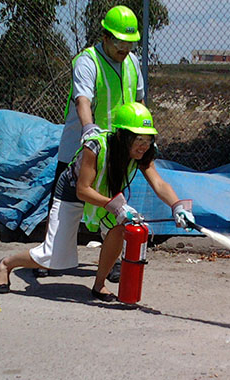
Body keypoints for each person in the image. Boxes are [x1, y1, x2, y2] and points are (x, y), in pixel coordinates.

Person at [0, 102, 195, 302]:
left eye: (148, 139)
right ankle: (6, 264)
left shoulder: (144, 153)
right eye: (139, 139)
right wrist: (117, 207)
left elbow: (158, 183)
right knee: (53, 256)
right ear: (123, 136)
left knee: (121, 228)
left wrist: (177, 206)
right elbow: (83, 190)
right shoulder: (96, 146)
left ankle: (99, 285)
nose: (144, 145)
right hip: (73, 191)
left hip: (107, 193)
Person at [35, 4, 146, 280]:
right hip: (81, 145)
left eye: (130, 42)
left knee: (115, 203)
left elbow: (140, 100)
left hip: (116, 149)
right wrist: (88, 129)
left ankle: (114, 262)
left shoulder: (132, 63)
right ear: (106, 37)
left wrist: (141, 136)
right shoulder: (88, 61)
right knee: (64, 206)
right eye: (120, 41)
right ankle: (48, 257)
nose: (125, 48)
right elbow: (82, 99)